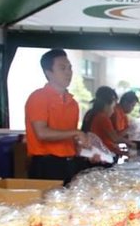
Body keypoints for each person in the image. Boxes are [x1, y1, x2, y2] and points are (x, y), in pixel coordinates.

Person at [24, 49, 90, 184]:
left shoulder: (73, 103)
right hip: (46, 165)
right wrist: (76, 132)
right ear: (49, 72)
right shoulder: (38, 97)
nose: (68, 72)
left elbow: (70, 140)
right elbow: (42, 133)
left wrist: (87, 151)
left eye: (70, 68)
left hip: (70, 163)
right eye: (62, 68)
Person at [81, 86, 129, 157]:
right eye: (113, 107)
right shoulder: (103, 117)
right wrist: (131, 143)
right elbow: (115, 139)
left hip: (93, 153)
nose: (113, 111)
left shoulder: (90, 113)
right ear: (106, 105)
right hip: (102, 155)